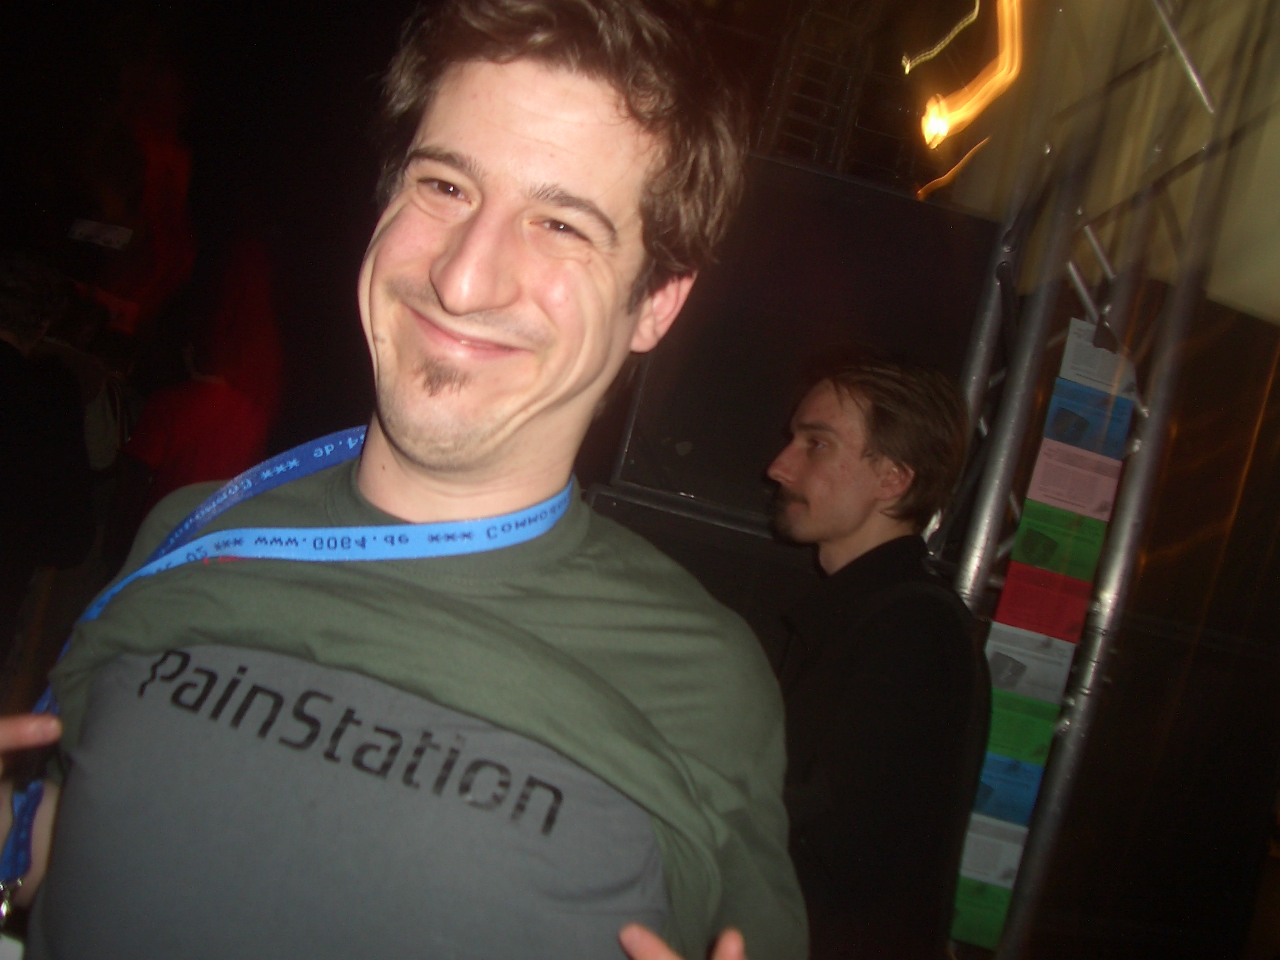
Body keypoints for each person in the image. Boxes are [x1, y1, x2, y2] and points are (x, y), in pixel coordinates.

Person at [0, 2, 807, 959]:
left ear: (657, 303)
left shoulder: (704, 679)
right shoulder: (191, 531)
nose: (463, 280)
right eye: (445, 185)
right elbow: (64, 853)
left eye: (560, 223)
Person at [767, 356, 991, 960]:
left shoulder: (913, 628)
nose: (779, 466)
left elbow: (831, 837)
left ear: (892, 478)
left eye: (816, 444)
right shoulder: (871, 615)